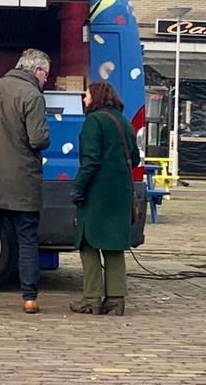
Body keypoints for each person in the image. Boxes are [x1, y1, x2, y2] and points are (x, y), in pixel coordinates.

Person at [0, 48, 51, 314]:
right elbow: (38, 139)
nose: (46, 80)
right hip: (22, 178)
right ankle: (29, 298)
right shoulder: (32, 95)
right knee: (26, 238)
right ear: (35, 70)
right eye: (46, 74)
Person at [69, 82, 140, 316]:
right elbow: (136, 158)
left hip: (97, 192)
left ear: (96, 97)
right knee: (114, 245)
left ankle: (92, 298)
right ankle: (116, 299)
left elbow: (90, 160)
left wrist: (78, 187)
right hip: (119, 192)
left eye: (87, 95)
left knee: (87, 242)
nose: (84, 99)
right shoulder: (124, 121)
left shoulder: (94, 121)